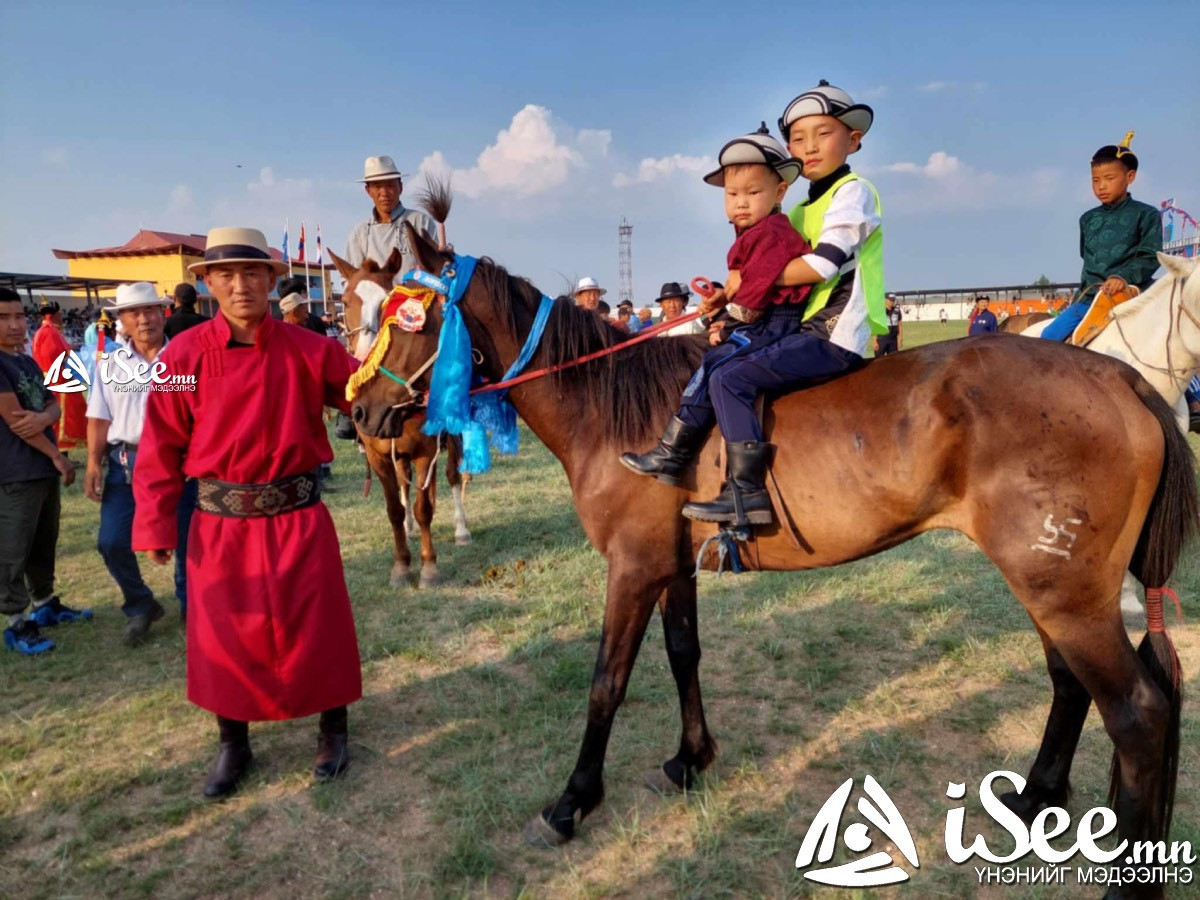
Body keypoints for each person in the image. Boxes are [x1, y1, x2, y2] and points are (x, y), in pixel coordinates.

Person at [132, 227, 363, 798]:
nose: (241, 286)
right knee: (223, 639)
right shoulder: (180, 357)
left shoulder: (313, 349)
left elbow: (366, 390)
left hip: (298, 516)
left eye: (252, 274)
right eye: (227, 276)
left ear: (271, 281)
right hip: (219, 524)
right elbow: (160, 445)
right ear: (208, 284)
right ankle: (233, 743)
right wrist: (156, 525)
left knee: (318, 629)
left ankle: (333, 730)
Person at [621, 127, 816, 526]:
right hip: (762, 319)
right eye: (732, 195)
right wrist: (721, 303)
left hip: (775, 324)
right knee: (710, 365)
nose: (741, 203)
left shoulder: (774, 233)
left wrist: (727, 321)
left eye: (752, 193)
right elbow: (741, 285)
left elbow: (758, 289)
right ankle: (673, 452)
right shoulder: (751, 233)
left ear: (779, 193)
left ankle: (746, 488)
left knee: (724, 375)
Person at [85, 283, 195, 645]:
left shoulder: (184, 358)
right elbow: (99, 417)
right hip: (126, 462)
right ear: (122, 321)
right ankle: (140, 604)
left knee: (186, 539)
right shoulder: (111, 365)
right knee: (112, 541)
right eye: (134, 313)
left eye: (150, 310)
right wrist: (92, 463)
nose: (143, 319)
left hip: (180, 462)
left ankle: (190, 605)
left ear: (163, 313)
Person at [0, 287, 89, 655]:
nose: (15, 325)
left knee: (43, 539)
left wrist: (47, 416)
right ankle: (16, 622)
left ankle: (45, 603)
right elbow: (17, 420)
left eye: (20, 316)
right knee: (12, 549)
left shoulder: (25, 361)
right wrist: (56, 455)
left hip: (39, 469)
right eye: (4, 318)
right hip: (15, 470)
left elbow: (52, 404)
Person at [1041, 133, 1162, 343]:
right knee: (1047, 339)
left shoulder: (1146, 214)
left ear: (1130, 177)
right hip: (1088, 299)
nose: (1101, 186)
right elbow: (1086, 257)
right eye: (1095, 180)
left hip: (1131, 297)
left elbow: (1150, 256)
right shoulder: (1088, 219)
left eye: (1109, 178)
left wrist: (1122, 277)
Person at [345, 155, 439, 273]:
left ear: (400, 187)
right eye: (377, 186)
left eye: (390, 185)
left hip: (415, 291)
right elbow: (351, 278)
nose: (384, 193)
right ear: (368, 191)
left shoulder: (420, 222)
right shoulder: (360, 233)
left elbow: (435, 268)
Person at [30, 300, 87, 450]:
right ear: (55, 315)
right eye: (60, 314)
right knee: (68, 412)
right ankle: (62, 449)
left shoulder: (41, 332)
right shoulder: (51, 332)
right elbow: (55, 355)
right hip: (56, 378)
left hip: (47, 376)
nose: (62, 317)